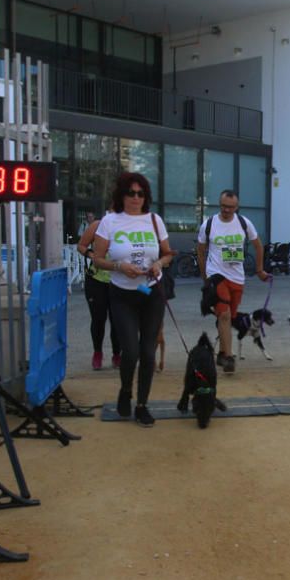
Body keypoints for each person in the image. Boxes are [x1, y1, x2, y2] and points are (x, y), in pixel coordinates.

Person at [91, 173, 174, 427]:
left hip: (151, 292)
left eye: (141, 193)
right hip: (122, 294)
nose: (136, 198)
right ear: (122, 196)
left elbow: (168, 253)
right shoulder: (110, 221)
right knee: (131, 351)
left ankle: (142, 404)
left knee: (148, 352)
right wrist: (118, 266)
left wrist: (159, 263)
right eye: (131, 193)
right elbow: (97, 258)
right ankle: (126, 390)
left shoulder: (154, 220)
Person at [196, 190, 269, 373]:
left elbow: (258, 246)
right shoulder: (209, 224)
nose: (226, 210)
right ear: (219, 204)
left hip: (237, 278)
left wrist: (259, 269)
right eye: (223, 206)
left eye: (230, 207)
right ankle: (228, 357)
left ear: (236, 207)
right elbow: (200, 250)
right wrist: (205, 277)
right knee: (225, 315)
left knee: (229, 317)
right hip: (216, 276)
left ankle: (221, 353)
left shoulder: (244, 223)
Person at [77, 211, 121, 370]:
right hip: (96, 280)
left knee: (118, 320)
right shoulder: (97, 225)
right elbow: (81, 245)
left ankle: (117, 354)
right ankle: (97, 352)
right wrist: (91, 254)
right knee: (98, 319)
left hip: (119, 281)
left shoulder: (129, 227)